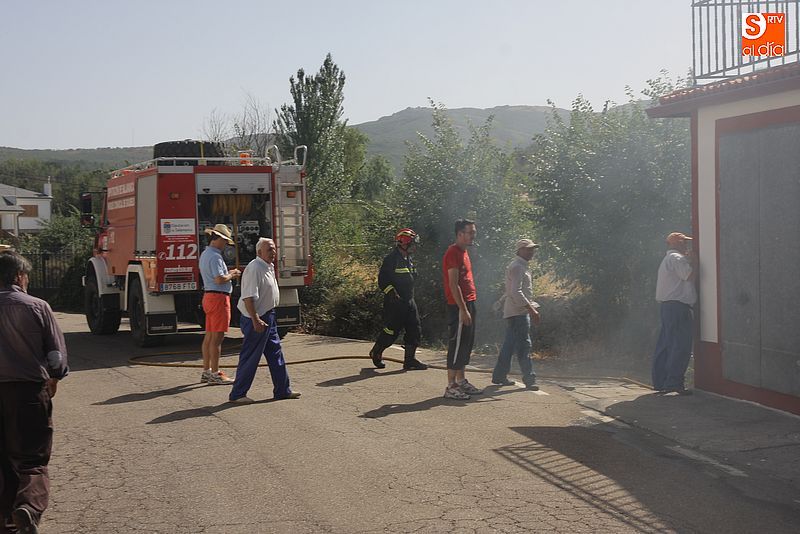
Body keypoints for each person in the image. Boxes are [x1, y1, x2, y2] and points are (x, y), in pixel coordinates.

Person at [0, 251, 69, 534]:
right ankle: (28, 508)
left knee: (3, 459)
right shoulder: (37, 306)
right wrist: (55, 376)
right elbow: (55, 355)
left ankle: (6, 521)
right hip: (27, 391)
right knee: (32, 458)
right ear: (19, 276)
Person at [229, 238, 300, 403]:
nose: (273, 252)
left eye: (274, 249)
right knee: (250, 357)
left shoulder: (268, 266)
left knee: (276, 354)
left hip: (269, 316)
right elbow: (248, 298)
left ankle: (283, 390)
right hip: (256, 318)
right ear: (259, 252)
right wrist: (256, 319)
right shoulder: (254, 268)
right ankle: (237, 394)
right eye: (269, 249)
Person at [368, 228, 428, 371]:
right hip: (395, 302)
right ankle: (377, 351)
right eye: (412, 244)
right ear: (404, 244)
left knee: (415, 329)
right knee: (391, 331)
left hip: (409, 301)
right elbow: (383, 280)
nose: (415, 247)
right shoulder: (391, 259)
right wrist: (391, 293)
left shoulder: (408, 259)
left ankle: (409, 360)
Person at [491, 239, 541, 390]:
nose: (531, 252)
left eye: (532, 249)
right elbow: (515, 292)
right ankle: (529, 379)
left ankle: (499, 376)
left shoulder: (519, 266)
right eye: (528, 249)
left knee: (510, 345)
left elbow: (511, 291)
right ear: (520, 251)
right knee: (524, 346)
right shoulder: (518, 267)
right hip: (519, 313)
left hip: (514, 311)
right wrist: (531, 310)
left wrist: (501, 302)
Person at [442, 219, 483, 400]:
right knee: (457, 345)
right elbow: (453, 284)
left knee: (466, 344)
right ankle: (451, 386)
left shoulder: (464, 252)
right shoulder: (453, 253)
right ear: (460, 234)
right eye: (470, 232)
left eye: (474, 232)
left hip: (469, 302)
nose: (473, 235)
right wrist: (463, 309)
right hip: (459, 306)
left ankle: (461, 381)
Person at [652, 231, 697, 395]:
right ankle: (674, 383)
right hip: (678, 307)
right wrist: (695, 262)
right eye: (685, 242)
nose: (687, 245)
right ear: (678, 243)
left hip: (668, 307)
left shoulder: (668, 259)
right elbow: (689, 276)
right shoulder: (677, 258)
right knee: (681, 345)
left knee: (666, 344)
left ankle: (661, 381)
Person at [199, 224, 241, 385]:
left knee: (209, 336)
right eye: (225, 241)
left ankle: (206, 371)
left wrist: (227, 274)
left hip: (209, 296)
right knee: (217, 338)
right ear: (218, 239)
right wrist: (232, 274)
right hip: (218, 298)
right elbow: (219, 279)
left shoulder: (205, 254)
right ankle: (215, 373)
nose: (225, 244)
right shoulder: (215, 256)